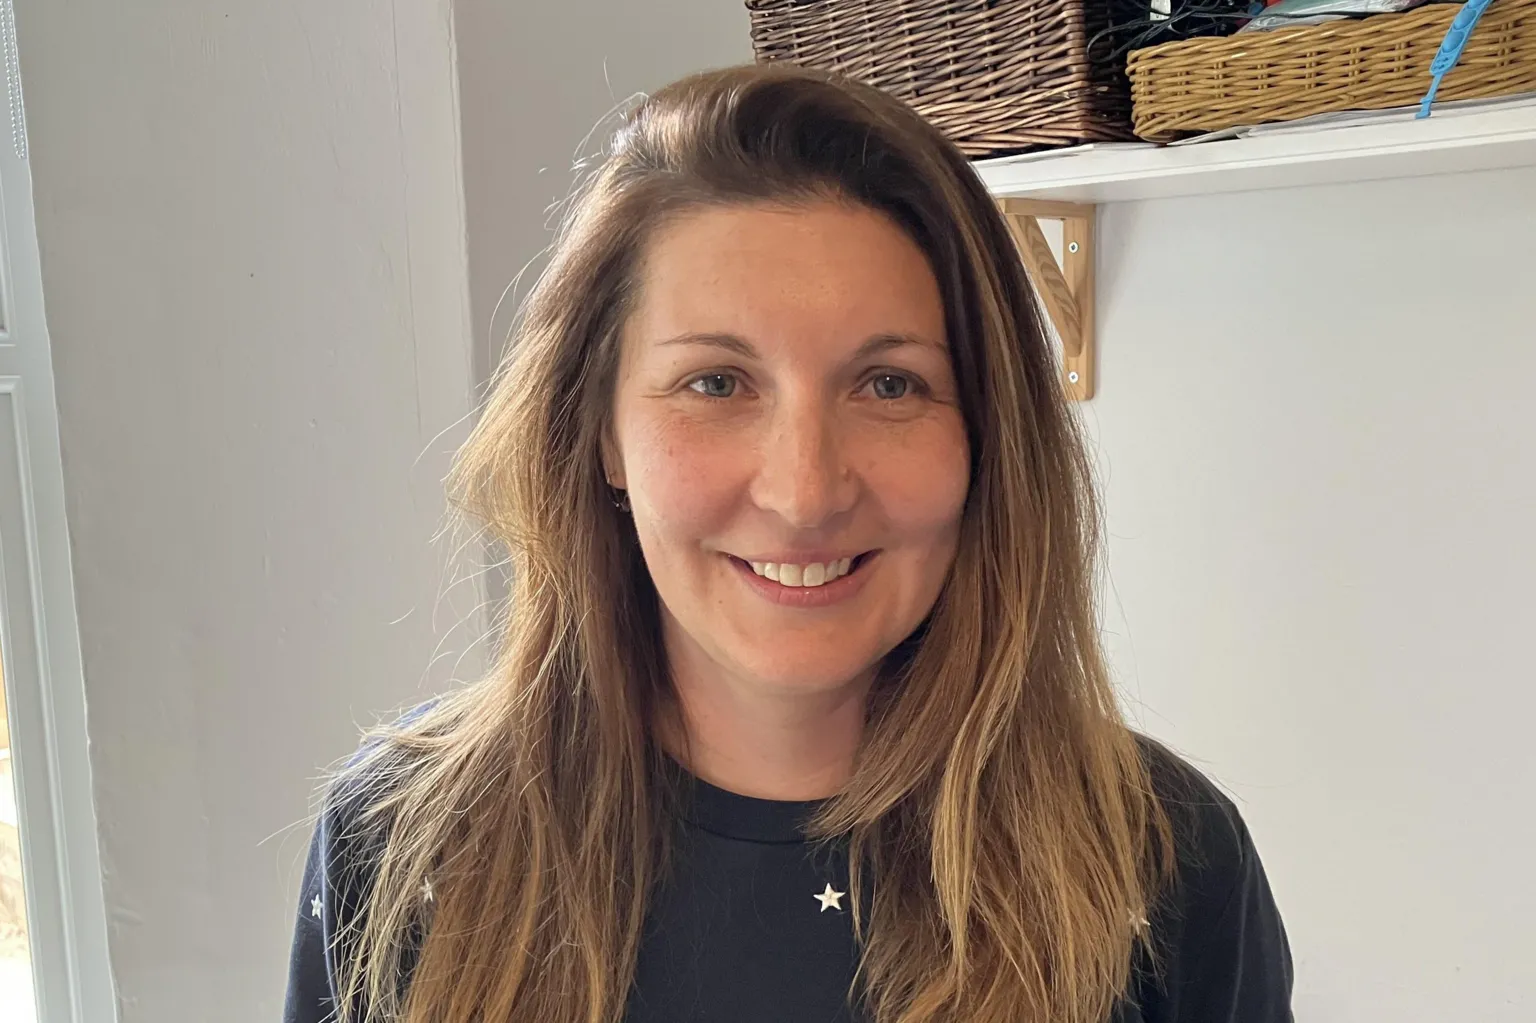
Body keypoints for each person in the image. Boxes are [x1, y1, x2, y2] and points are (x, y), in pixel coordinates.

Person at [283, 63, 1292, 1023]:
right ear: (600, 435)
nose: (804, 492)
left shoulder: (1162, 860)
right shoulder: (405, 838)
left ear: (986, 439)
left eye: (889, 385)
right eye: (716, 384)